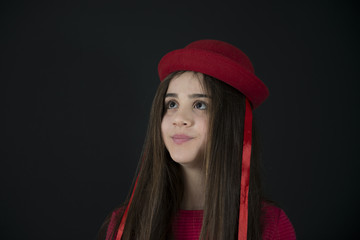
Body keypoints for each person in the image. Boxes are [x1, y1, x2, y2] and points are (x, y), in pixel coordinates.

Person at [97, 40, 296, 240]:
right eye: (172, 104)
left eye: (199, 105)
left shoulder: (270, 225)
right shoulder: (126, 224)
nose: (179, 119)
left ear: (231, 122)